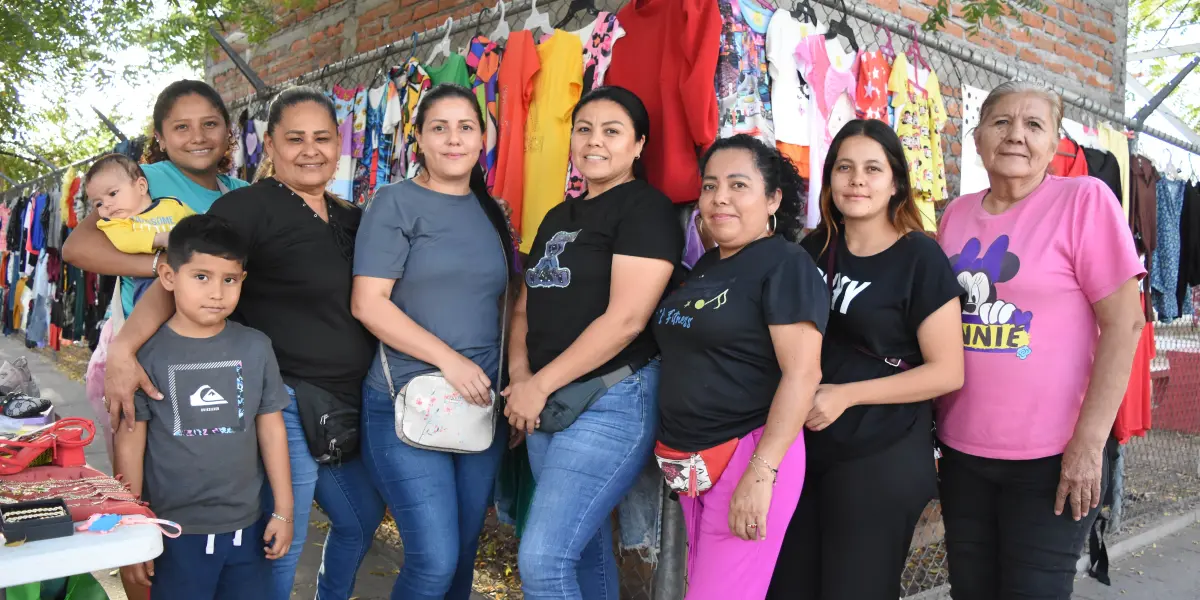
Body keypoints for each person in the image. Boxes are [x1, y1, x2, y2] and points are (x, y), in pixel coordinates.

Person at [103, 86, 386, 600]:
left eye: (322, 137)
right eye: (294, 138)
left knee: (360, 517)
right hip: (286, 396)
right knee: (282, 538)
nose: (310, 149)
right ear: (270, 147)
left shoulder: (350, 217)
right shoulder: (248, 207)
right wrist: (125, 349)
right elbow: (189, 274)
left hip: (345, 403)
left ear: (340, 143)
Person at [936, 81, 1145, 600]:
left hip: (1053, 457)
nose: (1016, 136)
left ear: (1054, 145)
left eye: (1034, 125)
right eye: (1002, 122)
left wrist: (1089, 445)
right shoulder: (955, 214)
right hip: (962, 452)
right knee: (971, 590)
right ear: (979, 136)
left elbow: (1126, 324)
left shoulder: (1084, 200)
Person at [767, 120, 966, 600]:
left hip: (880, 452)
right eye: (845, 168)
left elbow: (947, 371)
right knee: (787, 587)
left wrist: (847, 395)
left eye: (873, 169)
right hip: (806, 450)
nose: (857, 180)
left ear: (895, 182)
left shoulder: (920, 257)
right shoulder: (811, 249)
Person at [505, 86, 683, 600]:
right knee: (580, 554)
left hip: (611, 398)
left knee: (542, 562)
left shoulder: (646, 210)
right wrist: (520, 379)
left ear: (638, 145)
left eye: (611, 131)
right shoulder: (558, 216)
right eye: (583, 129)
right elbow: (524, 305)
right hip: (544, 400)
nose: (594, 141)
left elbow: (627, 319)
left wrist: (538, 385)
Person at [351, 84, 517, 600]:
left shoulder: (495, 212)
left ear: (483, 137)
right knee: (433, 558)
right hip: (406, 398)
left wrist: (511, 386)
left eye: (466, 127)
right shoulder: (394, 203)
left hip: (480, 404)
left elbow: (507, 306)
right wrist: (448, 361)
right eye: (438, 128)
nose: (453, 139)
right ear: (418, 137)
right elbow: (368, 303)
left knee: (463, 556)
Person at [653, 134, 826, 600]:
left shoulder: (787, 265)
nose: (719, 198)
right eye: (710, 186)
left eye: (737, 185)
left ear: (773, 199)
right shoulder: (707, 265)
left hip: (749, 454)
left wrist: (761, 472)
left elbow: (803, 374)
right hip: (694, 461)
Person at [113, 214, 293, 599]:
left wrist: (283, 510)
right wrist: (131, 524)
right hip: (173, 532)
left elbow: (272, 428)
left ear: (242, 280)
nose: (217, 292)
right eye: (201, 277)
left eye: (229, 279)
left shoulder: (256, 346)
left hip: (247, 528)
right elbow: (130, 441)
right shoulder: (145, 355)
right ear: (168, 277)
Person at [83, 154, 196, 310]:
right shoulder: (114, 224)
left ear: (141, 187)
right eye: (99, 203)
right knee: (151, 308)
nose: (107, 205)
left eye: (112, 193)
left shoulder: (172, 205)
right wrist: (159, 239)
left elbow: (197, 225)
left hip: (189, 270)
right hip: (150, 278)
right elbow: (126, 242)